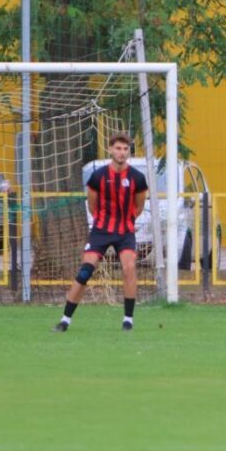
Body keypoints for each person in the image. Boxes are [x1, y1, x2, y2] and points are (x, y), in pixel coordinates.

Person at [55, 133, 148, 332]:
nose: (121, 152)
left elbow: (139, 206)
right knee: (85, 272)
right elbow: (92, 206)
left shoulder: (137, 178)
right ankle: (65, 321)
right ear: (110, 149)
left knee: (129, 268)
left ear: (128, 151)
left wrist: (125, 222)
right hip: (101, 231)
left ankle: (128, 320)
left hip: (125, 232)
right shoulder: (98, 176)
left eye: (125, 149)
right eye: (118, 148)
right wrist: (104, 223)